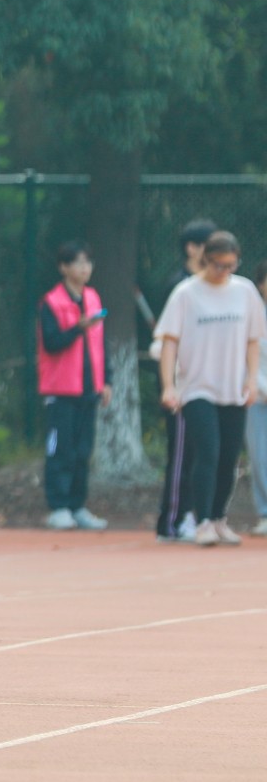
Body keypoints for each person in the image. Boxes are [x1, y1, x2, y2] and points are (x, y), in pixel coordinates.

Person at [154, 231, 264, 546]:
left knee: (229, 458)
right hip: (197, 388)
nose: (224, 271)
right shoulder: (186, 293)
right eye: (218, 265)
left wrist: (251, 379)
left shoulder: (245, 291)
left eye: (231, 265)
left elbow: (253, 340)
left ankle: (218, 518)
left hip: (233, 388)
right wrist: (169, 386)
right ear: (206, 260)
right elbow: (169, 342)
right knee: (208, 453)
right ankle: (201, 521)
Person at [148, 217, 217, 541]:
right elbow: (167, 341)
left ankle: (194, 514)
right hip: (180, 382)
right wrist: (170, 385)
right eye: (209, 246)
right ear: (192, 248)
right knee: (181, 454)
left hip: (208, 383)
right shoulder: (178, 286)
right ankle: (172, 520)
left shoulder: (215, 286)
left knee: (203, 453)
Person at [36, 241, 111, 530]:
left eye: (88, 262)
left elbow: (101, 344)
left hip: (89, 390)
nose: (85, 268)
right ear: (63, 268)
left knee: (83, 451)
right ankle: (58, 506)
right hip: (61, 390)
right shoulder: (51, 302)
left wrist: (106, 380)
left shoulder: (93, 298)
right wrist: (77, 328)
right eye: (78, 262)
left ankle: (78, 506)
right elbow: (51, 343)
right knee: (61, 451)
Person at [244, 261, 267, 536]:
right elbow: (247, 359)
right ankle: (264, 512)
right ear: (260, 284)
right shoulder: (250, 315)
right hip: (256, 397)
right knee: (260, 456)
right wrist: (260, 388)